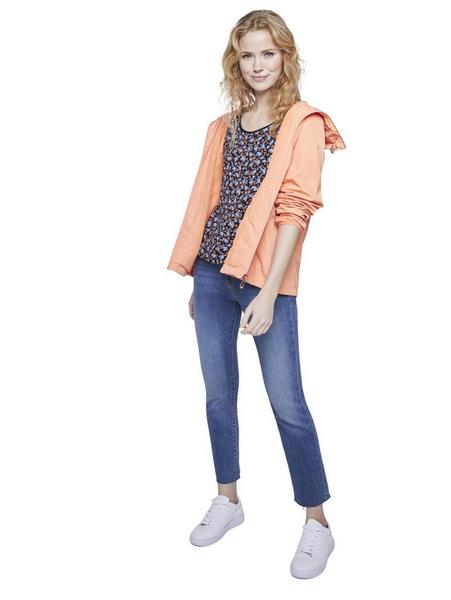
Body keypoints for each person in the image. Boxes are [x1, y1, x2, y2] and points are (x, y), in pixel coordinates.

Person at [166, 10, 346, 579]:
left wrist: (268, 294)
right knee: (218, 395)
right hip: (212, 275)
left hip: (265, 281)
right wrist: (200, 280)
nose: (258, 64)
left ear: (285, 57)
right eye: (248, 54)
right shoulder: (223, 126)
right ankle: (229, 499)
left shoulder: (302, 123)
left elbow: (296, 211)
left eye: (268, 53)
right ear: (235, 61)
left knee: (287, 401)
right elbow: (209, 203)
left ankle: (317, 522)